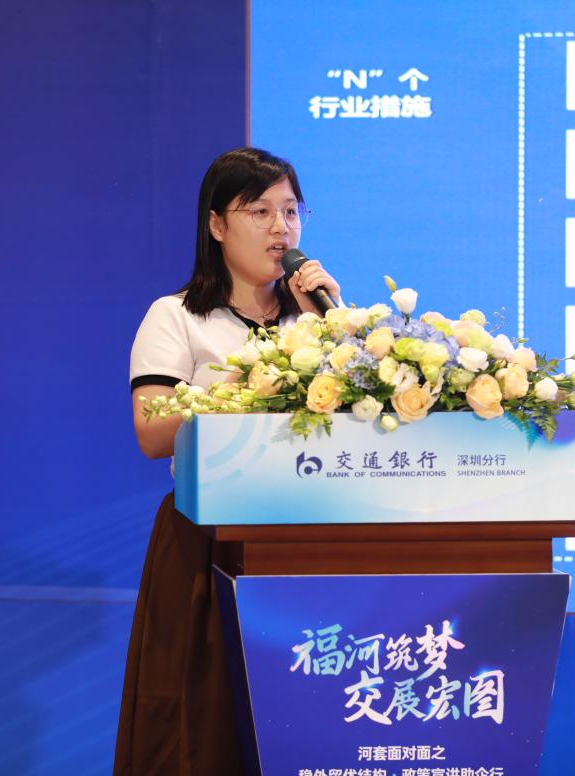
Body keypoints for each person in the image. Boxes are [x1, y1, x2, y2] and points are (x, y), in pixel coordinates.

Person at [115, 147, 341, 775]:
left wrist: (333, 331)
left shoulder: (319, 320)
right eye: (259, 211)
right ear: (216, 224)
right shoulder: (178, 317)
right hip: (211, 541)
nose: (281, 229)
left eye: (291, 211)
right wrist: (253, 388)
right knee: (205, 729)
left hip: (314, 539)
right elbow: (152, 432)